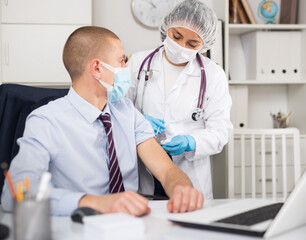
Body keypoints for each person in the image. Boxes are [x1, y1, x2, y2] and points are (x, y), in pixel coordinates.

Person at [1, 26, 204, 216]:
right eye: (122, 60)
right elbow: (15, 195)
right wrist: (95, 203)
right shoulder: (45, 121)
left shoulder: (127, 112)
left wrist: (181, 189)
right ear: (97, 68)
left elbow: (166, 170)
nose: (127, 67)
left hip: (131, 224)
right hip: (78, 225)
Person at [127, 0, 233, 199]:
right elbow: (117, 109)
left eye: (192, 44)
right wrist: (138, 121)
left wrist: (191, 141)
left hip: (189, 171)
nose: (181, 46)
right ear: (167, 27)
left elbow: (221, 131)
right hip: (143, 169)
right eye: (176, 36)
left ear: (205, 44)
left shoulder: (213, 74)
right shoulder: (138, 63)